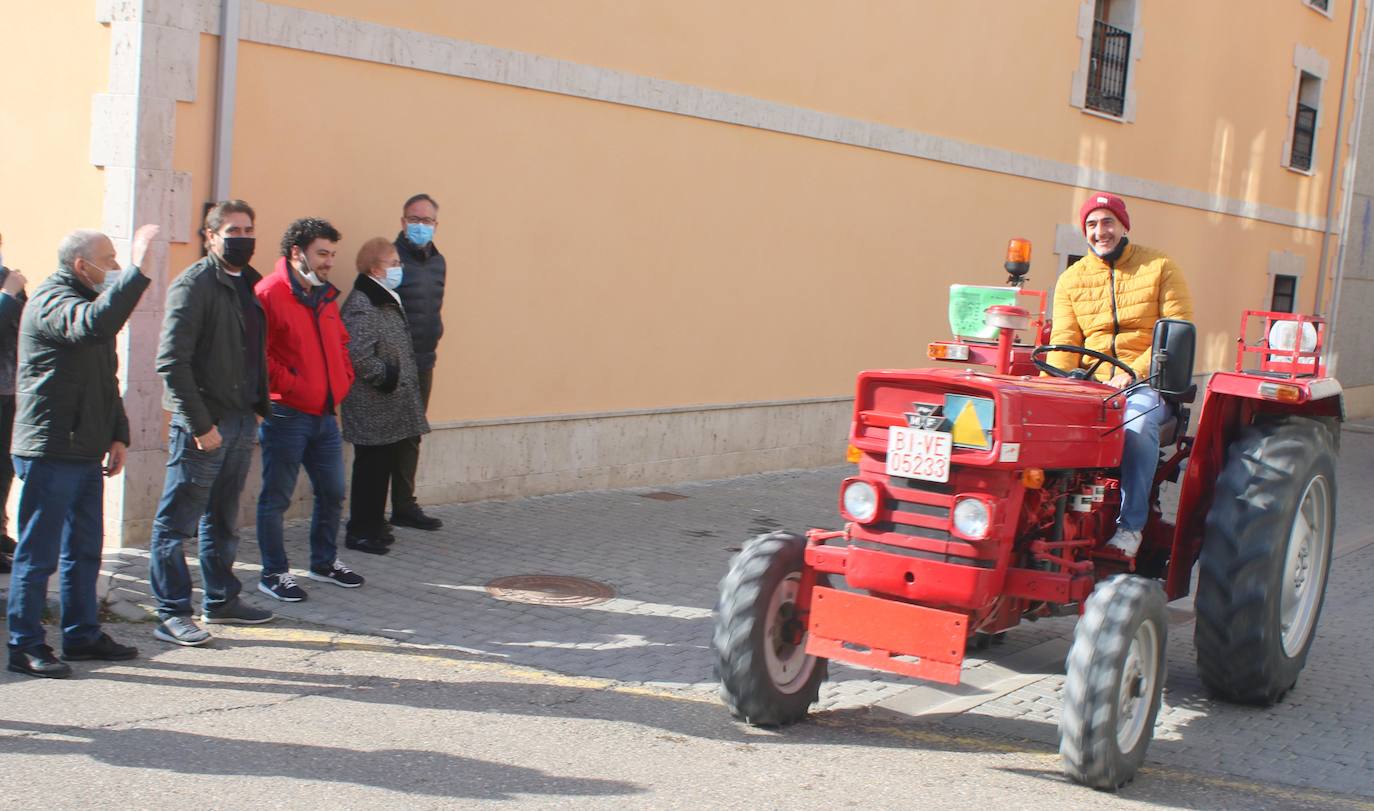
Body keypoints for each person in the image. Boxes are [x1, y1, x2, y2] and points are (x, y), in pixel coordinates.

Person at [6, 225, 157, 678]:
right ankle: (24, 644)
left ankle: (81, 635)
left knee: (85, 549)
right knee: (39, 554)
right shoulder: (53, 301)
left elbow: (105, 379)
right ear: (80, 265)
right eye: (108, 260)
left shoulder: (87, 299)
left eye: (117, 260)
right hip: (51, 449)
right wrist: (137, 271)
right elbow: (94, 325)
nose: (114, 267)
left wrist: (118, 434)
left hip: (84, 448)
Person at [148, 200, 275, 646]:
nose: (243, 237)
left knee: (223, 519)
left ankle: (221, 599)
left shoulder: (251, 283)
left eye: (248, 229)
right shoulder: (194, 284)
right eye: (232, 230)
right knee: (176, 522)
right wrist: (200, 425)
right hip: (204, 424)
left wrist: (258, 405)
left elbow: (253, 351)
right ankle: (171, 613)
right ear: (210, 236)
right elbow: (172, 362)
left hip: (241, 420)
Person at [1049, 192, 1193, 558]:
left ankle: (1131, 527)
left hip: (1148, 384)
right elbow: (1064, 342)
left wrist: (1133, 374)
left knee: (1134, 426)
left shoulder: (1159, 267)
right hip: (1091, 385)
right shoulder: (1071, 279)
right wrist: (1058, 389)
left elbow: (1174, 332)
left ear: (1124, 226)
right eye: (1092, 224)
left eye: (1108, 222)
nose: (1101, 231)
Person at [254, 218, 361, 602]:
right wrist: (295, 386)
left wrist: (343, 379)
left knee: (333, 491)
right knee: (276, 498)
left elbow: (341, 342)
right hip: (287, 414)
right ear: (297, 252)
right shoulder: (268, 293)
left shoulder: (324, 295)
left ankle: (324, 562)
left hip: (325, 415)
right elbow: (258, 355)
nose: (329, 262)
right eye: (322, 254)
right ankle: (273, 573)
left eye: (332, 254)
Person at [340, 238, 430, 553]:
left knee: (381, 468)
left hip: (386, 404)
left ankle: (375, 524)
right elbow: (358, 355)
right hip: (372, 403)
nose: (399, 268)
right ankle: (360, 531)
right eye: (394, 263)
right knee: (370, 469)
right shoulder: (363, 303)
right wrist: (388, 377)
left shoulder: (382, 297)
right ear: (375, 269)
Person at [389, 193, 446, 531]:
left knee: (412, 434)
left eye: (426, 220)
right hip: (395, 362)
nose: (420, 226)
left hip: (425, 360)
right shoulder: (390, 259)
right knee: (387, 436)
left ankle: (404, 505)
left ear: (436, 225)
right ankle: (375, 509)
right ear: (402, 222)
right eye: (414, 219)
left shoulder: (439, 262)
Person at [0, 231, 27, 574]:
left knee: (4, 467)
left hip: (10, 391)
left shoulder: (9, 278)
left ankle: (0, 531)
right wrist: (7, 296)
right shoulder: (8, 286)